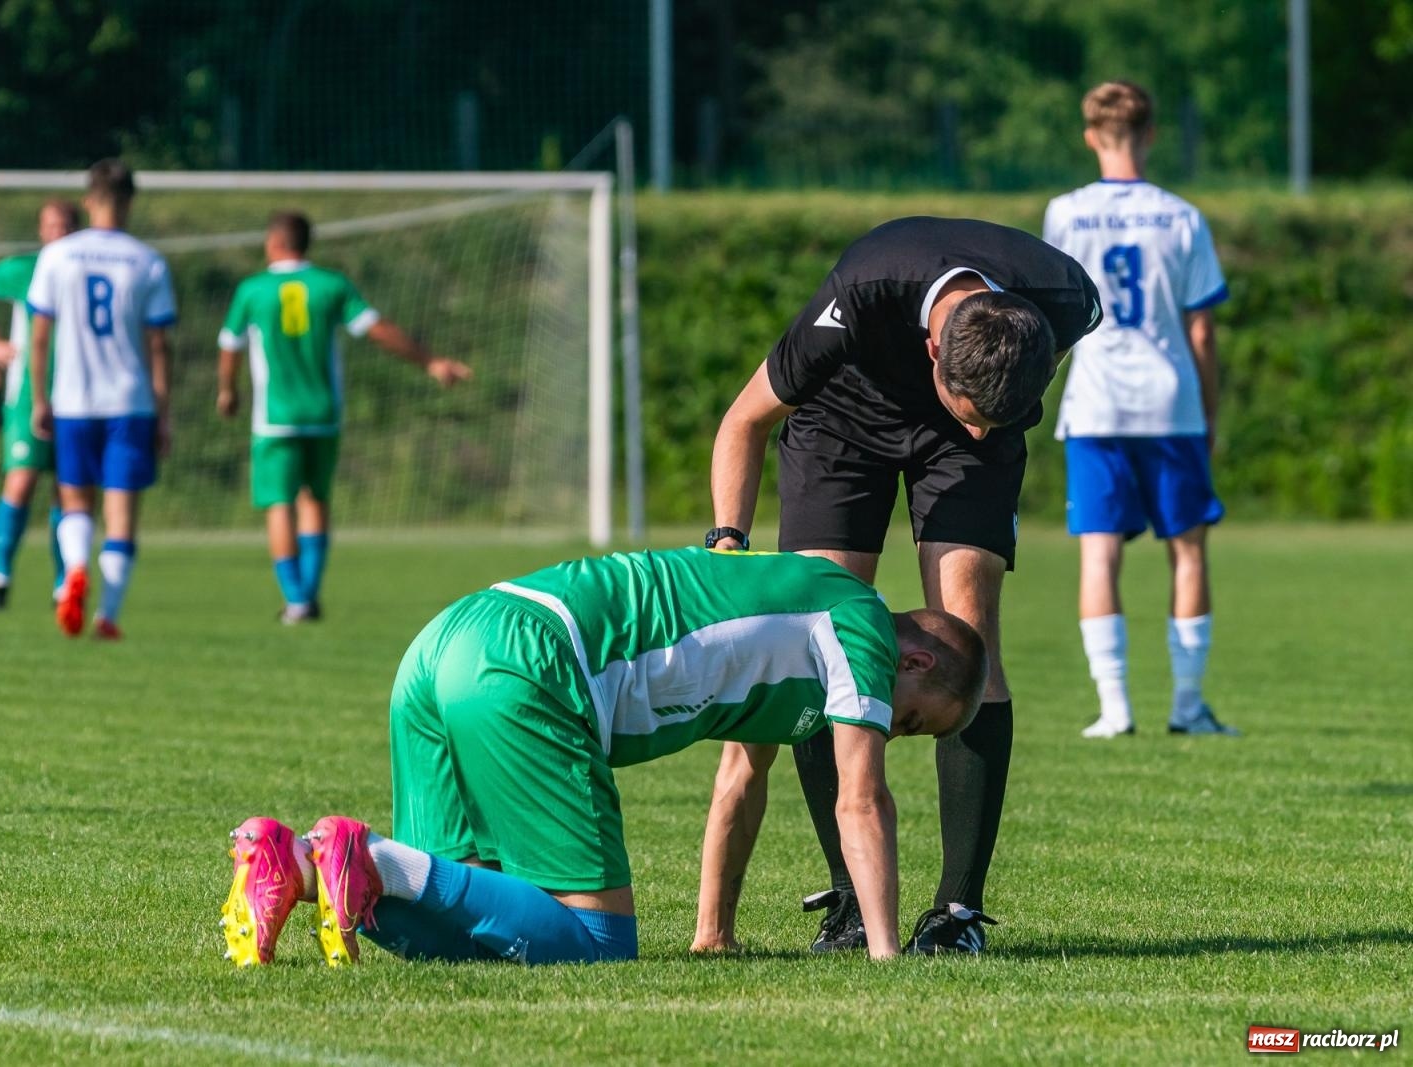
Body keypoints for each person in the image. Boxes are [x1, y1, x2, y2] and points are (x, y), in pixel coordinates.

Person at [217, 547, 988, 967]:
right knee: (599, 941)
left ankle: (298, 859)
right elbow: (862, 799)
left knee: (450, 936)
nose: (894, 729)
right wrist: (889, 957)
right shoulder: (860, 628)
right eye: (915, 722)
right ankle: (375, 854)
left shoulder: (798, 624)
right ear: (915, 661)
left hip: (448, 638)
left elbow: (740, 782)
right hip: (531, 659)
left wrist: (712, 929)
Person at [708, 216, 1101, 955]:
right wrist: (728, 545)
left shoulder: (1065, 298)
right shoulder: (860, 295)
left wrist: (985, 416)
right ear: (931, 351)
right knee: (822, 635)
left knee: (970, 629)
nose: (988, 434)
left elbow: (989, 414)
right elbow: (743, 422)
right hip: (841, 421)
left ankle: (958, 912)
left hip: (974, 402)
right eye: (979, 418)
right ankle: (851, 897)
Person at [1043, 81, 1237, 739]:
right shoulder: (1182, 216)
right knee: (1187, 552)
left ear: (1092, 136)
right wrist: (1210, 412)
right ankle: (1187, 706)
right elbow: (1203, 331)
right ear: (1151, 134)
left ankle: (1115, 708)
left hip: (1095, 405)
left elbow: (1055, 318)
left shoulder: (1064, 213)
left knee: (1099, 555)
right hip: (1169, 403)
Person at [216, 211, 471, 622]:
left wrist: (227, 390)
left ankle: (296, 599)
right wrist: (430, 361)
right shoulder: (331, 285)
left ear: (273, 243)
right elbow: (377, 329)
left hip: (274, 418)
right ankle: (309, 597)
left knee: (279, 504)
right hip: (323, 414)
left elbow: (229, 344)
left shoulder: (253, 290)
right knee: (315, 499)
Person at [27, 159, 176, 640]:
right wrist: (164, 413)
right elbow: (158, 344)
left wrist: (38, 397)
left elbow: (39, 336)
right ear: (130, 201)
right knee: (121, 516)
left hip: (72, 400)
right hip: (129, 402)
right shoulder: (148, 260)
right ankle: (107, 616)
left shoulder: (58, 256)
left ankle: (73, 568)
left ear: (89, 199)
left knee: (74, 502)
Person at [0, 199, 81, 610]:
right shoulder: (25, 269)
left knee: (67, 493)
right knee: (20, 481)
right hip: (26, 397)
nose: (57, 233)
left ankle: (61, 585)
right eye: (50, 226)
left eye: (65, 225)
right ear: (40, 230)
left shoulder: (84, 271)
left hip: (78, 395)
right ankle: (0, 578)